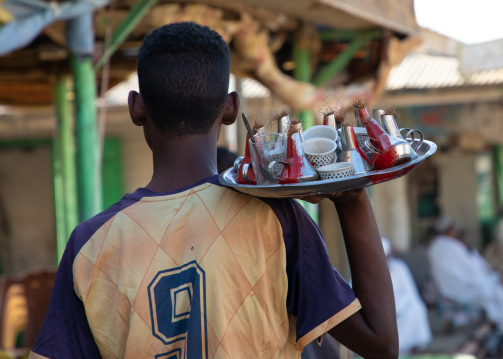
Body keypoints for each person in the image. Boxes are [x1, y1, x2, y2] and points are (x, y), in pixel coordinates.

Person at [30, 22, 397, 358]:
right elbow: (381, 344)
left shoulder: (90, 245)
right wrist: (353, 198)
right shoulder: (274, 219)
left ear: (136, 108)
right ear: (230, 107)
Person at [428, 216, 503, 330]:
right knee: (497, 290)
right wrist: (491, 277)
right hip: (463, 287)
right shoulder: (453, 246)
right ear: (450, 230)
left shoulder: (433, 247)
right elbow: (470, 271)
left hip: (447, 287)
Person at [382, 237, 432, 354]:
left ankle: (410, 348)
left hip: (400, 305)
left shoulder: (399, 267)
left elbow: (410, 293)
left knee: (416, 309)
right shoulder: (365, 269)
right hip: (379, 311)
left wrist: (397, 307)